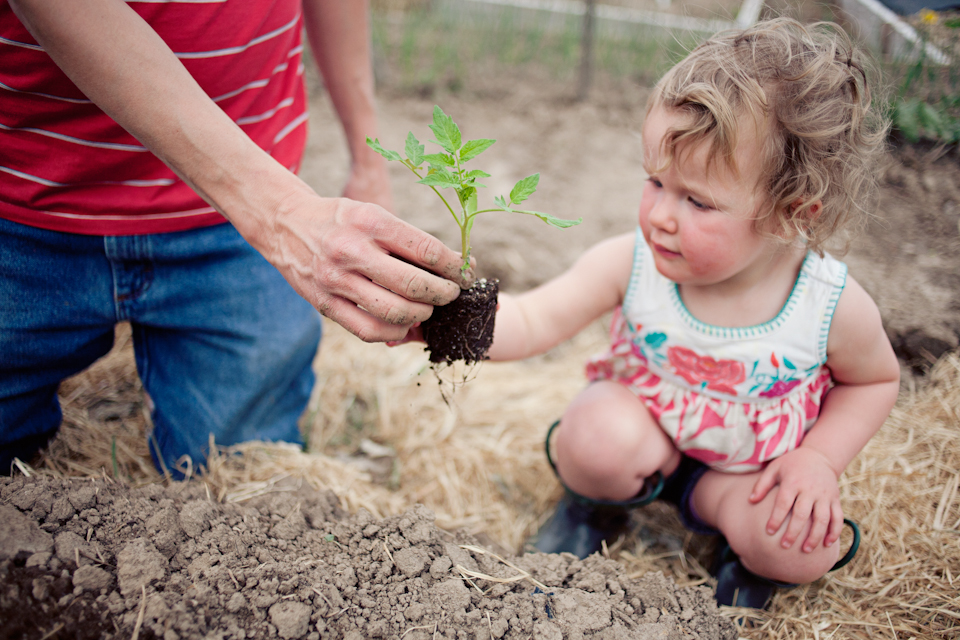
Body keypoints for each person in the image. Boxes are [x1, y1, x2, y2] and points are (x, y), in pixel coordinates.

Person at [402, 18, 901, 608]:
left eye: (697, 200)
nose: (661, 214)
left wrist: (818, 459)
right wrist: (445, 323)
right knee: (591, 439)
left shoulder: (827, 303)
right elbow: (535, 319)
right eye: (655, 182)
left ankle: (742, 557)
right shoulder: (631, 262)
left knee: (803, 546)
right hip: (643, 433)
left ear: (793, 214)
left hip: (745, 474)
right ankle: (597, 505)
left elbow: (875, 380)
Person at [0, 0, 471, 476]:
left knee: (244, 473)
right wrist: (281, 214)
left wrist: (367, 161)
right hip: (24, 205)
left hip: (234, 223)